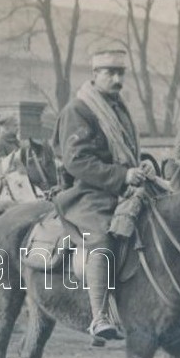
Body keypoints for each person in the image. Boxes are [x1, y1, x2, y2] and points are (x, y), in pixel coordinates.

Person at [52, 48, 154, 342]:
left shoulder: (118, 107)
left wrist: (142, 164)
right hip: (88, 192)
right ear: (94, 75)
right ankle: (98, 317)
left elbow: (126, 151)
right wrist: (122, 175)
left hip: (125, 188)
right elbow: (77, 161)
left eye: (120, 72)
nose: (117, 78)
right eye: (109, 72)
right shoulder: (79, 110)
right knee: (102, 238)